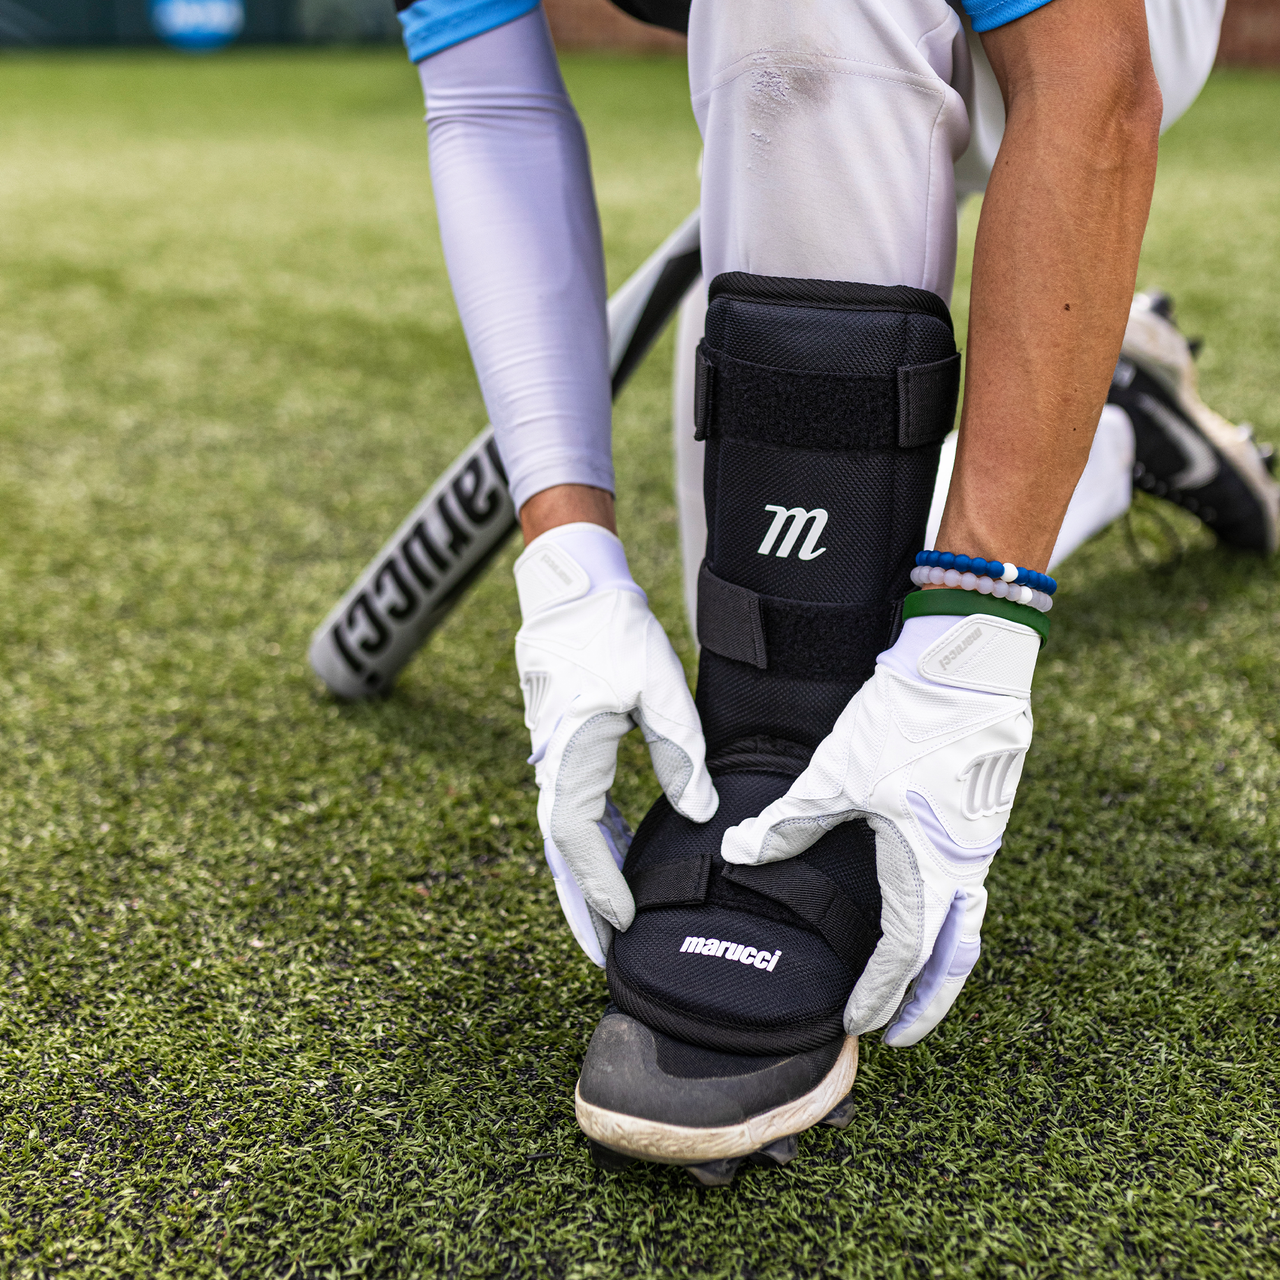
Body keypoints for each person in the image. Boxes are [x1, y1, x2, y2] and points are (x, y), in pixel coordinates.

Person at [392, 0, 1277, 1180]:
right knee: (781, 589)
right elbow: (487, 99)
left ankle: (794, 737)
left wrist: (976, 624)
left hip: (1087, 30)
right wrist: (568, 563)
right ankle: (1111, 422)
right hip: (785, 75)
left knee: (801, 16)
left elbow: (1089, 79)